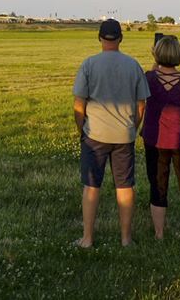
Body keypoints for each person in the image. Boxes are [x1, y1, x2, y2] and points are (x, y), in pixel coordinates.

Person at [72, 18, 150, 247]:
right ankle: (126, 239)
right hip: (124, 135)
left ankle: (87, 238)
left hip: (94, 134)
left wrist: (82, 129)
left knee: (91, 185)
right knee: (125, 186)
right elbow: (141, 105)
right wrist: (132, 128)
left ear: (99, 38)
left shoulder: (89, 64)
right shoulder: (133, 65)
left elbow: (79, 104)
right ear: (120, 38)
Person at [142, 33, 180, 238]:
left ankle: (159, 233)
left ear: (156, 55)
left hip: (156, 139)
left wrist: (154, 65)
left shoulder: (149, 78)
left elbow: (148, 85)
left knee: (158, 186)